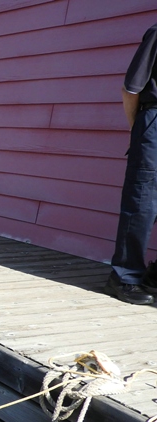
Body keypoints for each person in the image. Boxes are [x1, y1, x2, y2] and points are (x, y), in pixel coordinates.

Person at [105, 23, 157, 304]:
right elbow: (131, 88)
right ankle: (123, 276)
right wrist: (138, 127)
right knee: (142, 201)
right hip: (155, 122)